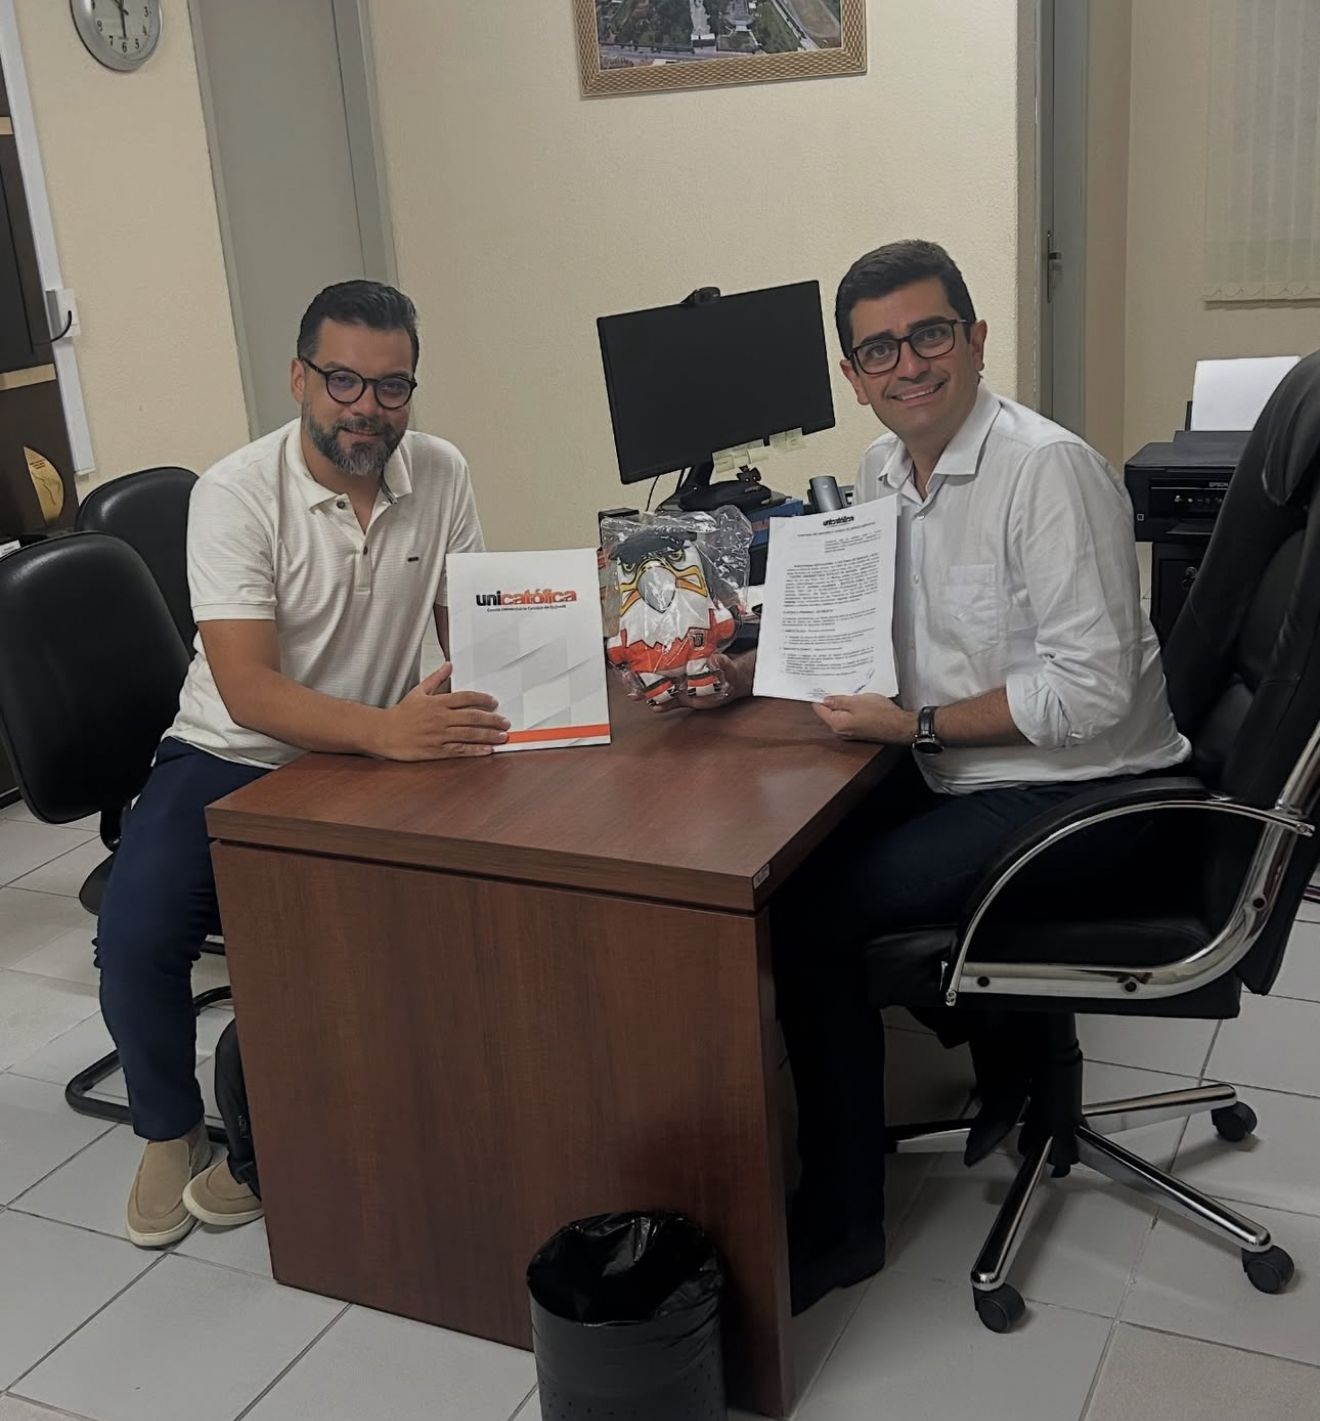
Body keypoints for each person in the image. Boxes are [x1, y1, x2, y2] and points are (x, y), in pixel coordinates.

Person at [670, 239, 1190, 1312]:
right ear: (853, 375)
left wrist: (913, 724)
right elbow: (871, 624)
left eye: (929, 334)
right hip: (974, 761)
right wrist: (745, 669)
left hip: (1089, 794)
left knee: (812, 920)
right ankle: (1001, 1044)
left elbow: (1089, 696)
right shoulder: (878, 471)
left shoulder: (1046, 471)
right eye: (879, 349)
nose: (908, 364)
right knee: (774, 852)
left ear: (976, 338)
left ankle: (842, 1221)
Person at [95, 280, 510, 1248]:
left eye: (392, 385)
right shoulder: (235, 492)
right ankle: (169, 1128)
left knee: (392, 920)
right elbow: (248, 688)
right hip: (231, 751)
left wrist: (540, 664)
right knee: (137, 932)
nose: (367, 406)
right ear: (299, 378)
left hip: (374, 750)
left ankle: (280, 1132)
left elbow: (472, 626)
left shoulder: (441, 471)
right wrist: (387, 732)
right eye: (343, 380)